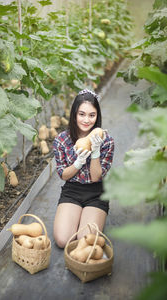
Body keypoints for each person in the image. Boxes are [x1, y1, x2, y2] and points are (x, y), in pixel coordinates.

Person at [52, 89, 114, 248]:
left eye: (92, 115)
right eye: (82, 114)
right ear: (74, 114)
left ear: (97, 116)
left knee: (84, 241)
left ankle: (92, 217)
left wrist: (95, 152)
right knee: (62, 240)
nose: (86, 120)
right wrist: (78, 162)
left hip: (96, 193)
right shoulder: (62, 140)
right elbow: (64, 175)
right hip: (72, 191)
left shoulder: (106, 141)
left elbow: (95, 177)